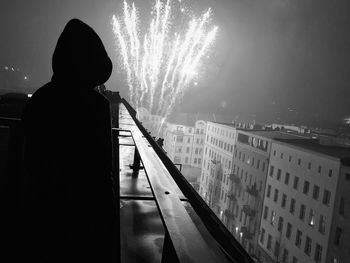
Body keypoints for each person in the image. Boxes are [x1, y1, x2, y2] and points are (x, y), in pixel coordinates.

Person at [22, 19, 116, 262]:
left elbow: (30, 161)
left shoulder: (38, 101)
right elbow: (101, 170)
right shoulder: (97, 105)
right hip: (85, 218)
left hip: (42, 212)